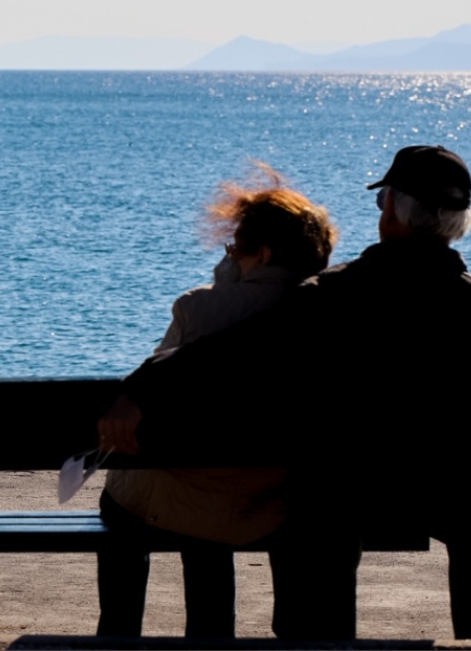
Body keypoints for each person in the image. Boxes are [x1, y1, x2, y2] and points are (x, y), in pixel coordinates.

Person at [98, 145, 471, 641]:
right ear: (458, 221)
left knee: (320, 511)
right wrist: (466, 465)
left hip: (344, 489)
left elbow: (230, 353)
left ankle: (316, 636)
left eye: (383, 198)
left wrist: (138, 387)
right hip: (441, 489)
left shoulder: (333, 293)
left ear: (391, 209)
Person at [96, 171, 338, 639]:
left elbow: (152, 404)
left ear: (261, 253)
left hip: (193, 495)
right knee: (212, 505)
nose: (228, 257)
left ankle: (118, 635)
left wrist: (222, 284)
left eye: (233, 250)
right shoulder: (329, 312)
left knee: (132, 498)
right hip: (276, 495)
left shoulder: (197, 308)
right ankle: (215, 638)